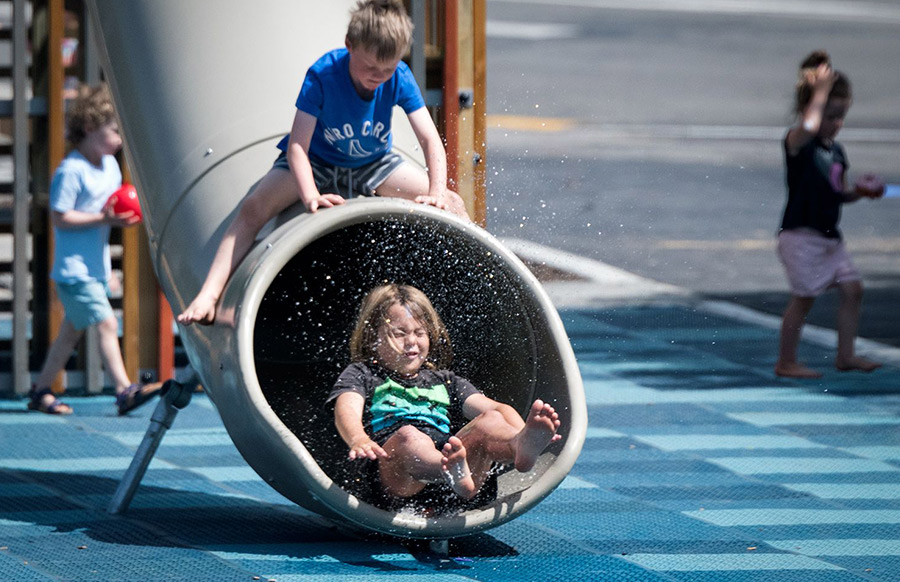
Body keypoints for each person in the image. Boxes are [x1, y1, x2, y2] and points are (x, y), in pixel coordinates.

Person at [176, 0, 468, 327]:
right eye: (371, 67)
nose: (378, 77)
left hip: (373, 162)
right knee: (253, 208)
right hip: (318, 161)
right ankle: (209, 295)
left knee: (452, 203)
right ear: (350, 46)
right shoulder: (324, 74)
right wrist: (311, 194)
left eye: (387, 69)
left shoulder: (398, 76)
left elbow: (430, 139)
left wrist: (437, 191)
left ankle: (467, 296)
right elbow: (298, 148)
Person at [329, 284, 561, 506]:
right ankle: (445, 468)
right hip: (394, 478)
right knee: (410, 437)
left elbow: (498, 409)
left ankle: (518, 447)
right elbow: (346, 408)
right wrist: (358, 438)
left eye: (420, 332)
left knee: (489, 420)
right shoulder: (363, 374)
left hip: (458, 478)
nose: (411, 341)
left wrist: (521, 433)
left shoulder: (445, 381)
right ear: (372, 337)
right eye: (399, 333)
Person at [28, 84, 161, 415]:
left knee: (68, 338)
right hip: (74, 271)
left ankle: (41, 391)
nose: (119, 140)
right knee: (104, 324)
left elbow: (110, 212)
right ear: (89, 128)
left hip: (95, 268)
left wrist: (118, 220)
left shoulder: (111, 167)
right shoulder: (71, 170)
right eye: (114, 131)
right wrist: (104, 218)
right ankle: (124, 390)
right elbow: (60, 217)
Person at [774, 50, 884, 379]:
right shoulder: (798, 142)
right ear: (810, 108)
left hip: (829, 239)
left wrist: (861, 193)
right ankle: (786, 361)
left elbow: (839, 193)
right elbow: (808, 124)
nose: (836, 124)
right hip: (800, 237)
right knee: (804, 298)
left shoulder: (835, 152)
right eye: (829, 115)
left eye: (841, 116)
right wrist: (819, 92)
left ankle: (845, 356)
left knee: (854, 289)